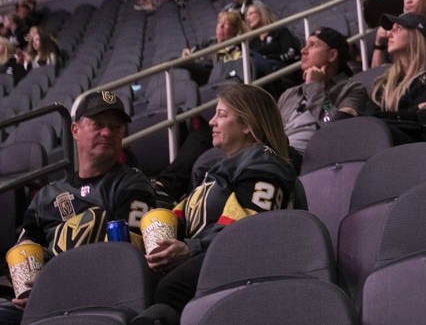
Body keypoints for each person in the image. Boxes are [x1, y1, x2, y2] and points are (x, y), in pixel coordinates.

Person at [138, 84, 297, 324]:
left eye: (222, 115)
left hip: (243, 261)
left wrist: (191, 248)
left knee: (171, 287)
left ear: (247, 125)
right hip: (212, 253)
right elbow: (180, 215)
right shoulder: (217, 171)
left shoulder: (263, 163)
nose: (211, 122)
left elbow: (249, 228)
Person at [2, 91, 155, 315]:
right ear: (75, 130)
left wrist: (53, 284)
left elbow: (126, 256)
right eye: (98, 124)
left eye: (115, 127)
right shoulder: (46, 196)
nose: (107, 132)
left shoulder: (132, 184)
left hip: (99, 298)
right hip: (41, 300)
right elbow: (24, 253)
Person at [365, 13, 426, 143]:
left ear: (416, 34)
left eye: (397, 28)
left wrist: (399, 116)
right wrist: (421, 107)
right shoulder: (384, 82)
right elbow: (372, 119)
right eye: (390, 29)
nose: (389, 34)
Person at [276, 27, 367, 158]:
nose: (303, 51)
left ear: (332, 55)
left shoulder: (352, 90)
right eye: (305, 45)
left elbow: (337, 131)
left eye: (312, 45)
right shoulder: (290, 93)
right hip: (280, 156)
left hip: (313, 159)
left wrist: (314, 86)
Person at [181, 11, 249, 86]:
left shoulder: (238, 48)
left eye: (226, 24)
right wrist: (188, 54)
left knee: (180, 64)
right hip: (201, 69)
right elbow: (195, 56)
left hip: (213, 74)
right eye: (219, 22)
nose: (221, 26)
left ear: (235, 30)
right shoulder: (209, 42)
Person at [245, 2, 301, 77]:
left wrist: (266, 58)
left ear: (262, 13)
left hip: (285, 73)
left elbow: (290, 54)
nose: (247, 18)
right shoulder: (253, 42)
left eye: (251, 13)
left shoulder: (280, 31)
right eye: (246, 16)